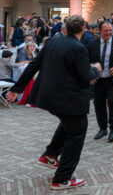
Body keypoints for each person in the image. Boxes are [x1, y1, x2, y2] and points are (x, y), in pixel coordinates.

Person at [6, 15, 101, 190]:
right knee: (77, 134)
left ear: (66, 28)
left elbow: (33, 65)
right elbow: (85, 76)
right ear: (83, 29)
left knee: (68, 124)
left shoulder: (52, 42)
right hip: (70, 99)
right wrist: (96, 70)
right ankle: (62, 179)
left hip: (51, 97)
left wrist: (16, 89)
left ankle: (50, 155)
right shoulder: (78, 47)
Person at [88, 21, 113, 143]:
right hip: (98, 80)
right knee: (98, 103)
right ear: (100, 31)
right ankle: (102, 128)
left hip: (112, 79)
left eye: (110, 30)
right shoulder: (92, 43)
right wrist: (92, 69)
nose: (109, 33)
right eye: (106, 30)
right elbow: (87, 59)